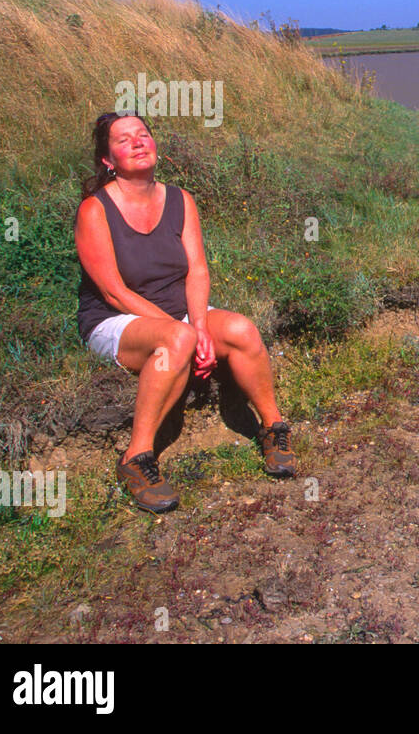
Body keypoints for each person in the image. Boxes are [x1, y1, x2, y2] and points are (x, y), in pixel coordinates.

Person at [74, 111, 296, 512]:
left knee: (242, 330)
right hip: (116, 320)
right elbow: (114, 291)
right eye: (124, 140)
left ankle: (271, 426)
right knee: (175, 339)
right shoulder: (95, 208)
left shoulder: (180, 199)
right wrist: (185, 334)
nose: (138, 142)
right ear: (108, 159)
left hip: (178, 317)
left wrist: (200, 327)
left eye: (143, 134)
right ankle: (136, 458)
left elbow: (197, 271)